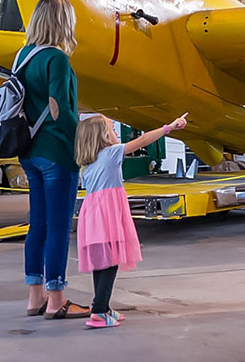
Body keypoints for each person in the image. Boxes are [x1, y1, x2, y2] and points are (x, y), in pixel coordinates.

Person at [76, 113, 188, 329]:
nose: (116, 132)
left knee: (102, 262)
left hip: (92, 216)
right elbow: (142, 141)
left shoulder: (88, 164)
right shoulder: (111, 153)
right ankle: (99, 311)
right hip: (107, 215)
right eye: (112, 129)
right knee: (110, 263)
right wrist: (168, 128)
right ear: (102, 136)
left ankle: (102, 307)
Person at [16, 0, 90, 320]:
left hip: (29, 152)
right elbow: (59, 109)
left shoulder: (23, 56)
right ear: (63, 23)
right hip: (56, 153)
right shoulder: (56, 59)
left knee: (38, 225)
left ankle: (35, 298)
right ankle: (57, 299)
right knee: (59, 227)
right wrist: (89, 140)